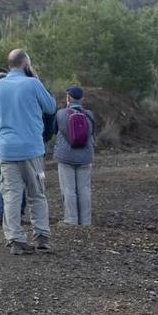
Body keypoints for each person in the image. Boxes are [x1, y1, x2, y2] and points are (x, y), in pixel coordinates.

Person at [0, 49, 56, 255]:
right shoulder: (33, 84)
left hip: (6, 151)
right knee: (37, 194)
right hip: (32, 150)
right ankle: (41, 236)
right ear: (26, 65)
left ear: (9, 65)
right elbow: (50, 107)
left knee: (11, 195)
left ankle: (15, 239)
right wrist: (36, 78)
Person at [54, 86, 96, 226]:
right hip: (85, 156)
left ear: (68, 98)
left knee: (69, 189)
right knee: (84, 189)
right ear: (82, 99)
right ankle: (86, 221)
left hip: (66, 156)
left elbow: (55, 130)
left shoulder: (60, 114)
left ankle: (71, 219)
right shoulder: (89, 114)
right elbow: (93, 132)